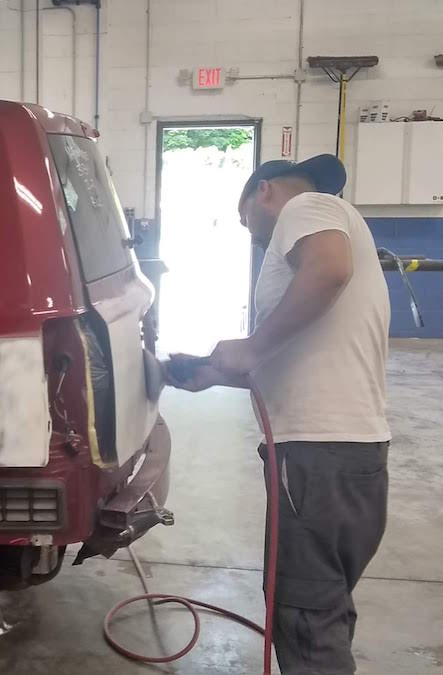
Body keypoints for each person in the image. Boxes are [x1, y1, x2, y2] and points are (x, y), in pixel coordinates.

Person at [168, 154, 391, 675]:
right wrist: (215, 372)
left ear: (264, 191)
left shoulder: (305, 207)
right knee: (322, 606)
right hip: (345, 458)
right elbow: (302, 354)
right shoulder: (326, 221)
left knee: (306, 621)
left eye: (244, 218)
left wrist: (251, 347)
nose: (250, 233)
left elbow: (329, 270)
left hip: (318, 457)